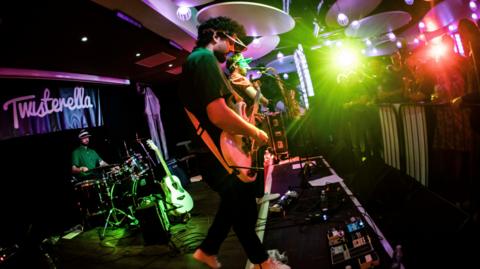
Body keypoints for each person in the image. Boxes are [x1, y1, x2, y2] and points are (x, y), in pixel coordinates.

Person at [178, 16, 290, 269]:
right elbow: (217, 114)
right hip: (215, 153)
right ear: (215, 35)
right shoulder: (203, 58)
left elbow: (225, 111)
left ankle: (207, 252)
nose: (233, 50)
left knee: (236, 205)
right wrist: (254, 132)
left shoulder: (202, 63)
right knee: (240, 208)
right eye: (231, 43)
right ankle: (263, 263)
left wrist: (244, 117)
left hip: (216, 151)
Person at [226, 52, 280, 205]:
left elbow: (254, 99)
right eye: (243, 63)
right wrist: (269, 101)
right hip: (250, 123)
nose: (247, 66)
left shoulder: (234, 79)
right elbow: (259, 99)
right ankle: (258, 195)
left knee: (255, 158)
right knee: (256, 157)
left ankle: (257, 195)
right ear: (236, 65)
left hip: (247, 122)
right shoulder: (238, 78)